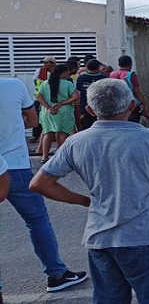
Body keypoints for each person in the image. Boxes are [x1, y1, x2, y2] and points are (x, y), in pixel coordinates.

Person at [30, 78, 149, 304]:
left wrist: (85, 201)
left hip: (100, 238)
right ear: (132, 105)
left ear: (90, 110)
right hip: (144, 235)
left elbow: (40, 183)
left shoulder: (75, 142)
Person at [0, 77, 87, 294]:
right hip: (15, 165)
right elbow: (32, 121)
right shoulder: (14, 85)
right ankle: (56, 274)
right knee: (36, 220)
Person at [37, 64, 79, 163]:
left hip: (47, 112)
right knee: (62, 133)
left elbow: (39, 97)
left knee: (47, 133)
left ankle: (44, 156)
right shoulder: (68, 84)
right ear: (64, 72)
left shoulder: (45, 83)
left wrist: (49, 107)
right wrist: (62, 103)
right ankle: (60, 156)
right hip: (64, 111)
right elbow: (76, 97)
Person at [110, 55, 149, 123]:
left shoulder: (112, 74)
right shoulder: (131, 75)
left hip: (117, 105)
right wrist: (144, 104)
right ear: (131, 64)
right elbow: (137, 92)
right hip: (130, 105)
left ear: (119, 64)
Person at [31, 56, 56, 146]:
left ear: (53, 64)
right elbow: (35, 82)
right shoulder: (39, 71)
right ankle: (36, 135)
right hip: (39, 98)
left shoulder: (56, 73)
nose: (44, 65)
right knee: (38, 117)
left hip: (51, 99)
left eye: (47, 63)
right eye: (44, 63)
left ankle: (52, 135)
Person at [76, 59, 108, 130]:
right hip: (101, 107)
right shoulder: (104, 78)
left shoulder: (81, 78)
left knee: (87, 128)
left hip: (85, 106)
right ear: (98, 67)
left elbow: (79, 88)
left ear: (87, 67)